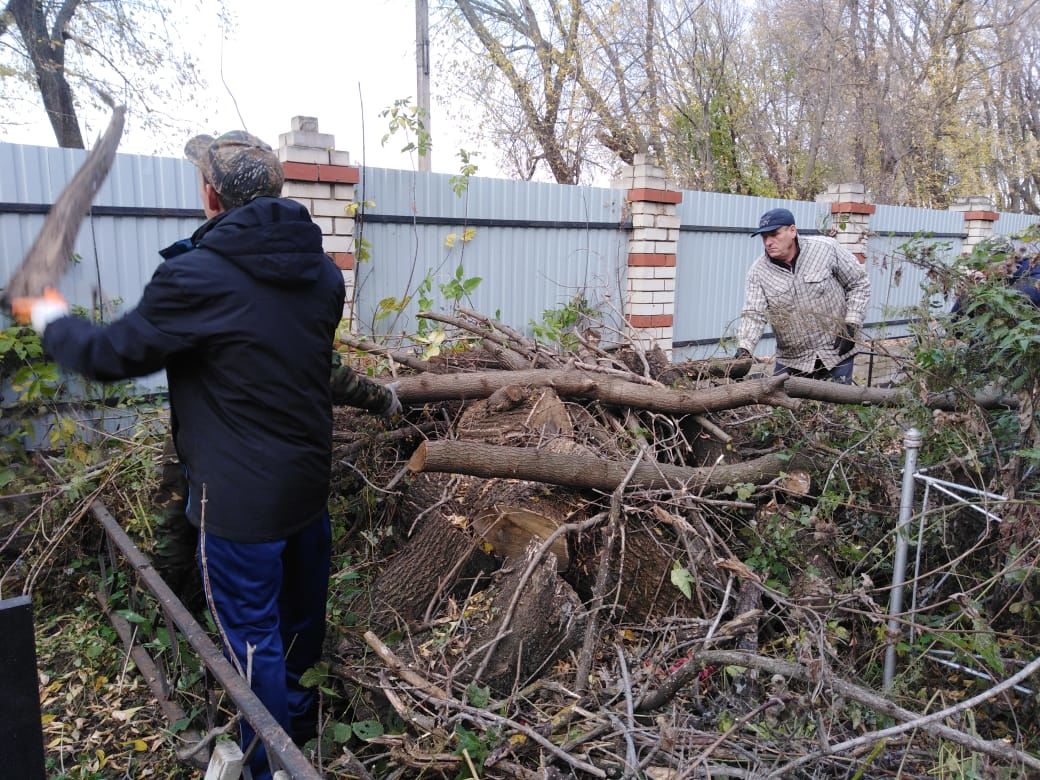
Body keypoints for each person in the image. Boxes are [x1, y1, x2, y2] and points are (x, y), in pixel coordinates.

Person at [12, 130, 401, 779]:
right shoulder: (320, 276)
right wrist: (377, 396)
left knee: (254, 643)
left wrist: (49, 314)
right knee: (301, 625)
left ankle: (269, 767)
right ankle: (298, 738)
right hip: (308, 489)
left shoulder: (195, 277)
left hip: (239, 509)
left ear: (211, 195)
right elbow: (309, 365)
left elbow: (111, 356)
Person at [733, 207, 871, 383]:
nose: (768, 242)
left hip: (836, 353)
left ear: (792, 230)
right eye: (764, 237)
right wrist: (744, 349)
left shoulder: (825, 249)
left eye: (774, 234)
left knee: (837, 409)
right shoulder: (758, 272)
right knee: (786, 408)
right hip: (792, 360)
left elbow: (858, 283)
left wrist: (851, 324)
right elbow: (754, 314)